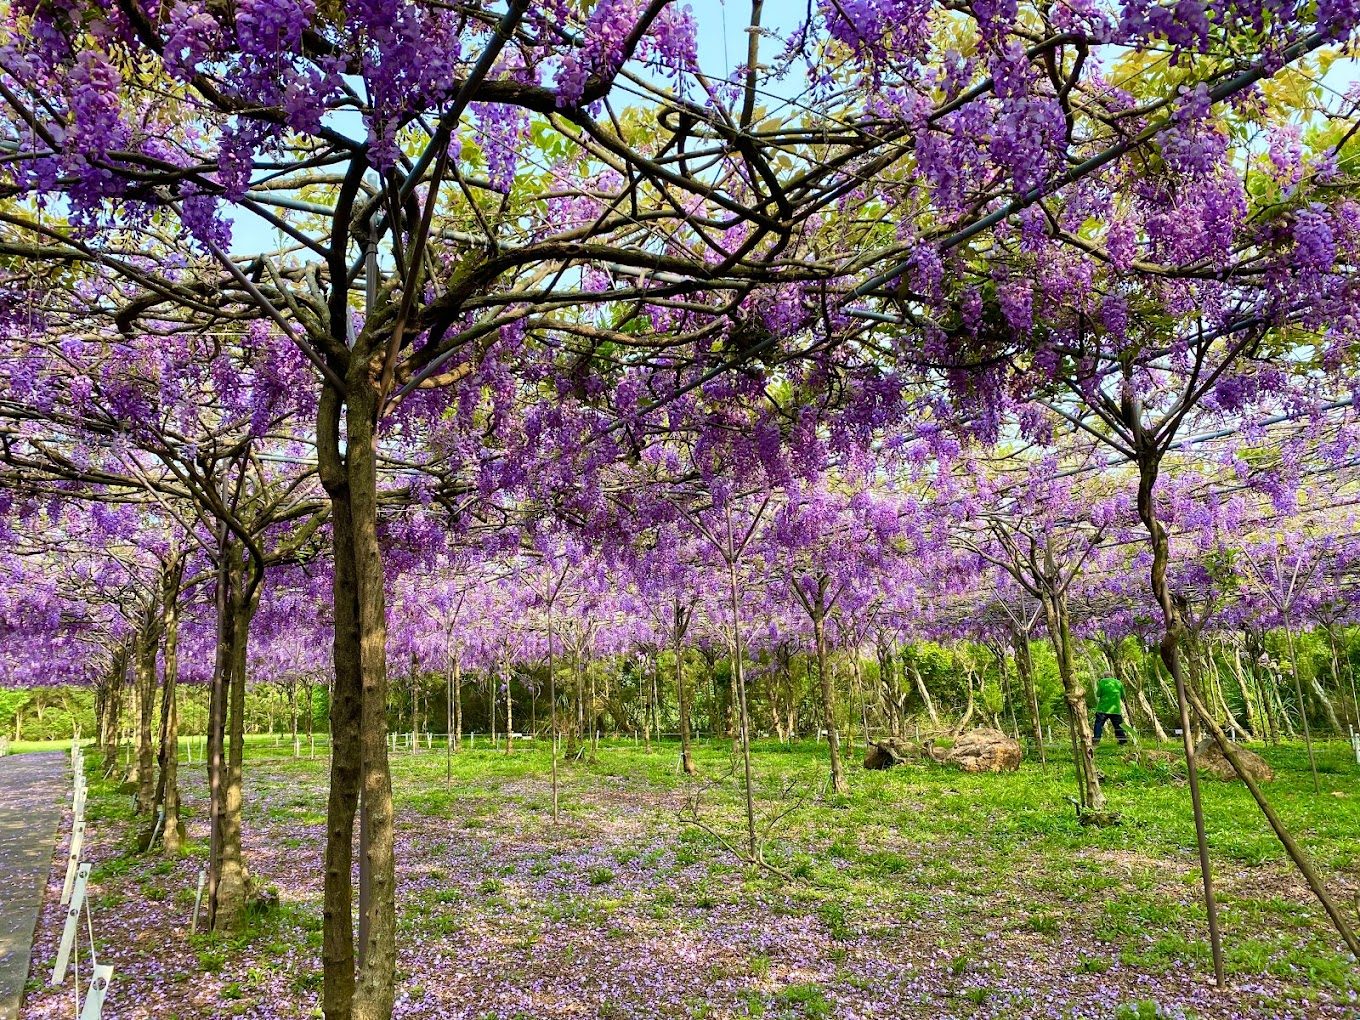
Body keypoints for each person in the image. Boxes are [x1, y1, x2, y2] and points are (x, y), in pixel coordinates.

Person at [1093, 675, 1129, 745]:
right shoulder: (1118, 682)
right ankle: (1123, 741)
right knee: (1118, 725)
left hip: (1102, 709)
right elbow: (1123, 696)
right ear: (1112, 676)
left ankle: (1096, 740)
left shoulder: (1102, 681)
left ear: (1104, 676)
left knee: (1098, 724)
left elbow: (1098, 694)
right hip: (1115, 709)